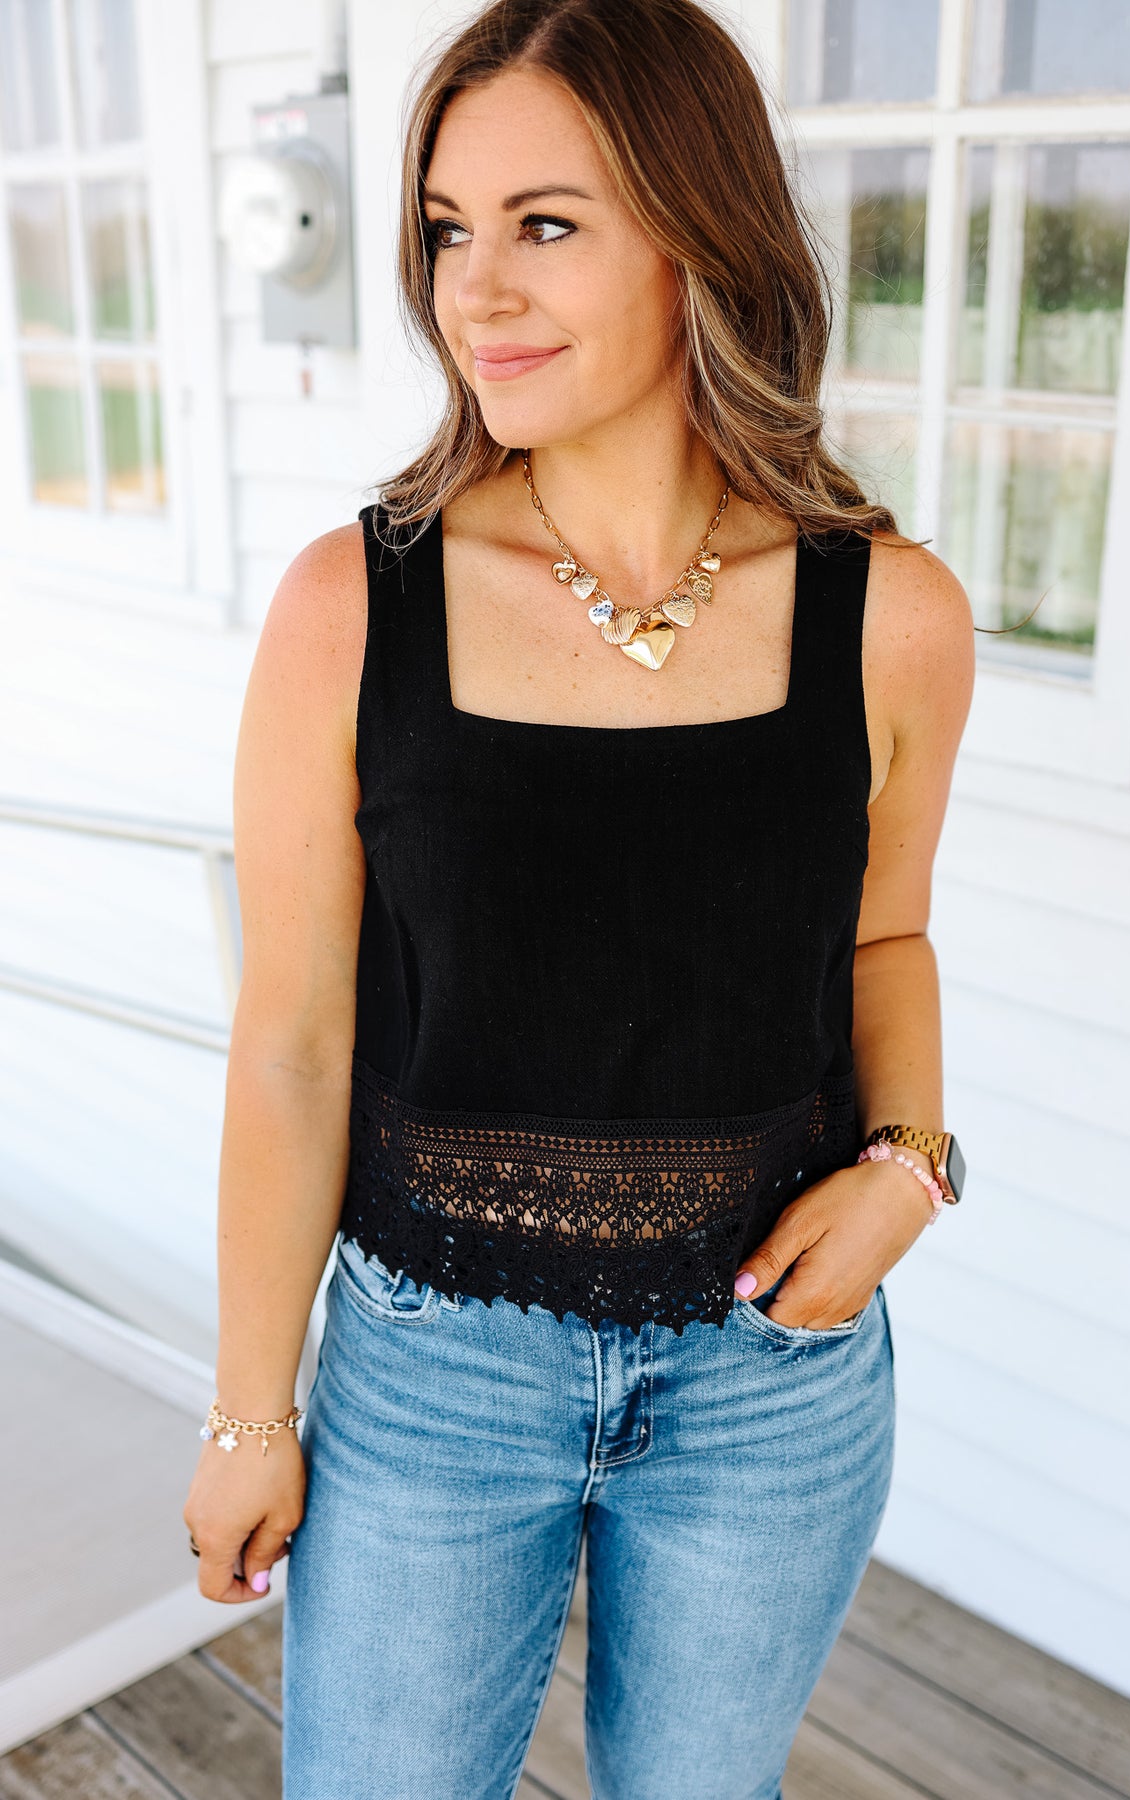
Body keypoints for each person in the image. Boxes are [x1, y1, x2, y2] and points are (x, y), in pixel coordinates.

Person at [184, 1, 975, 1794]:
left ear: (703, 231)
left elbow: (885, 937)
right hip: (429, 1381)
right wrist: (248, 1412)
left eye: (544, 224)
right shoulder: (350, 608)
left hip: (773, 1379)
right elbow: (294, 1040)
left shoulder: (892, 615)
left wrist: (908, 1169)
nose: (474, 290)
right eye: (447, 229)